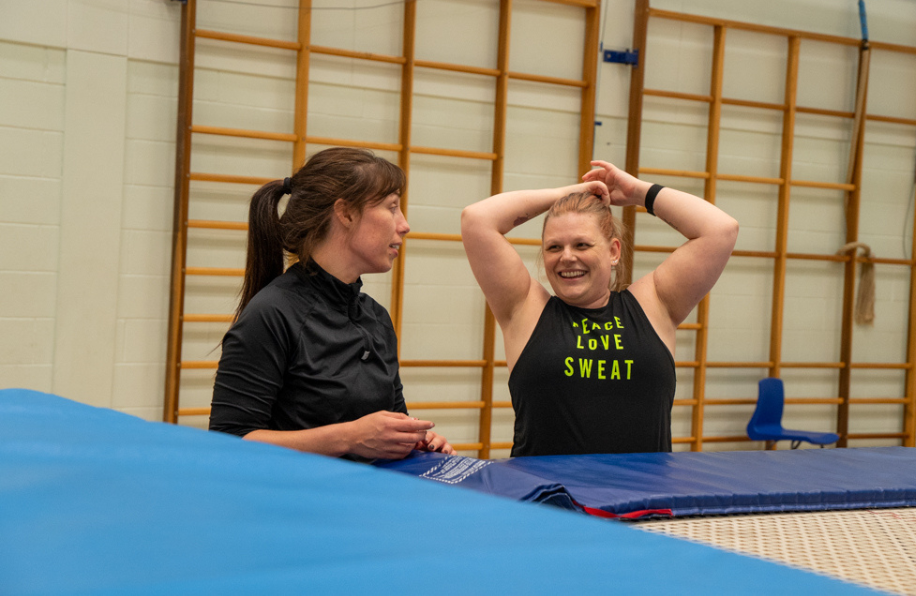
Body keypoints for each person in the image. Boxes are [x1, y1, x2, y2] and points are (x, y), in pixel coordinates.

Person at [460, 160, 738, 456]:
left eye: (582, 245)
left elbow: (720, 229)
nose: (566, 257)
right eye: (554, 247)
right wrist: (570, 193)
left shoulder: (655, 303)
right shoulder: (526, 308)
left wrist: (638, 192)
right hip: (549, 501)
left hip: (642, 500)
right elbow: (476, 219)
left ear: (613, 252)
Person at [210, 147, 455, 460]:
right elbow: (228, 441)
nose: (404, 224)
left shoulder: (376, 317)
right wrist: (348, 438)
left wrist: (415, 441)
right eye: (392, 207)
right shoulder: (271, 314)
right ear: (347, 213)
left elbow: (388, 425)